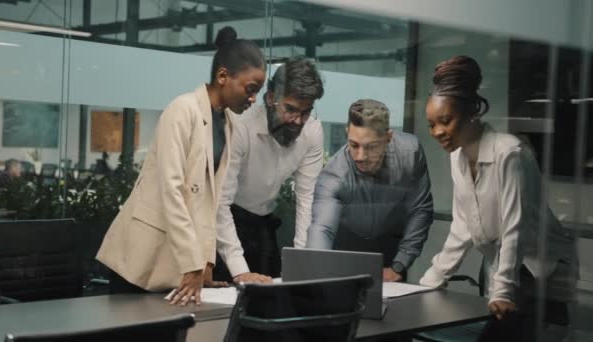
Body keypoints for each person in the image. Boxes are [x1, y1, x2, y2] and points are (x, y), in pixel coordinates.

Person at [96, 26, 266, 306]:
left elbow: (212, 202)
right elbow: (172, 191)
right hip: (140, 259)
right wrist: (193, 263)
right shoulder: (182, 109)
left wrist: (207, 261)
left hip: (173, 264)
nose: (253, 99)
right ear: (223, 76)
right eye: (250, 89)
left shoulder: (229, 124)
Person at [419, 55, 577, 340]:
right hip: (511, 268)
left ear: (470, 112)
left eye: (445, 120)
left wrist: (502, 289)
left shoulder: (509, 153)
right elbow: (462, 226)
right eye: (431, 125)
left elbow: (514, 228)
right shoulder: (457, 157)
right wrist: (432, 280)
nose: (438, 132)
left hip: (543, 269)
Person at [214, 57, 325, 283]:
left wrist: (302, 263)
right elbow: (220, 202)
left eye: (305, 112)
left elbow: (307, 199)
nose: (297, 121)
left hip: (264, 223)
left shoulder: (312, 130)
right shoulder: (240, 125)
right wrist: (239, 270)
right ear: (272, 97)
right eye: (291, 109)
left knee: (275, 296)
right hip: (226, 223)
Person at [306, 99, 434, 282]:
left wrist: (400, 264)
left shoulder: (410, 153)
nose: (360, 156)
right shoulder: (334, 176)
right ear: (347, 133)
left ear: (388, 138)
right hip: (344, 252)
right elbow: (322, 228)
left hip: (389, 251)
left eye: (371, 147)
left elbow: (420, 209)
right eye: (354, 144)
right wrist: (317, 274)